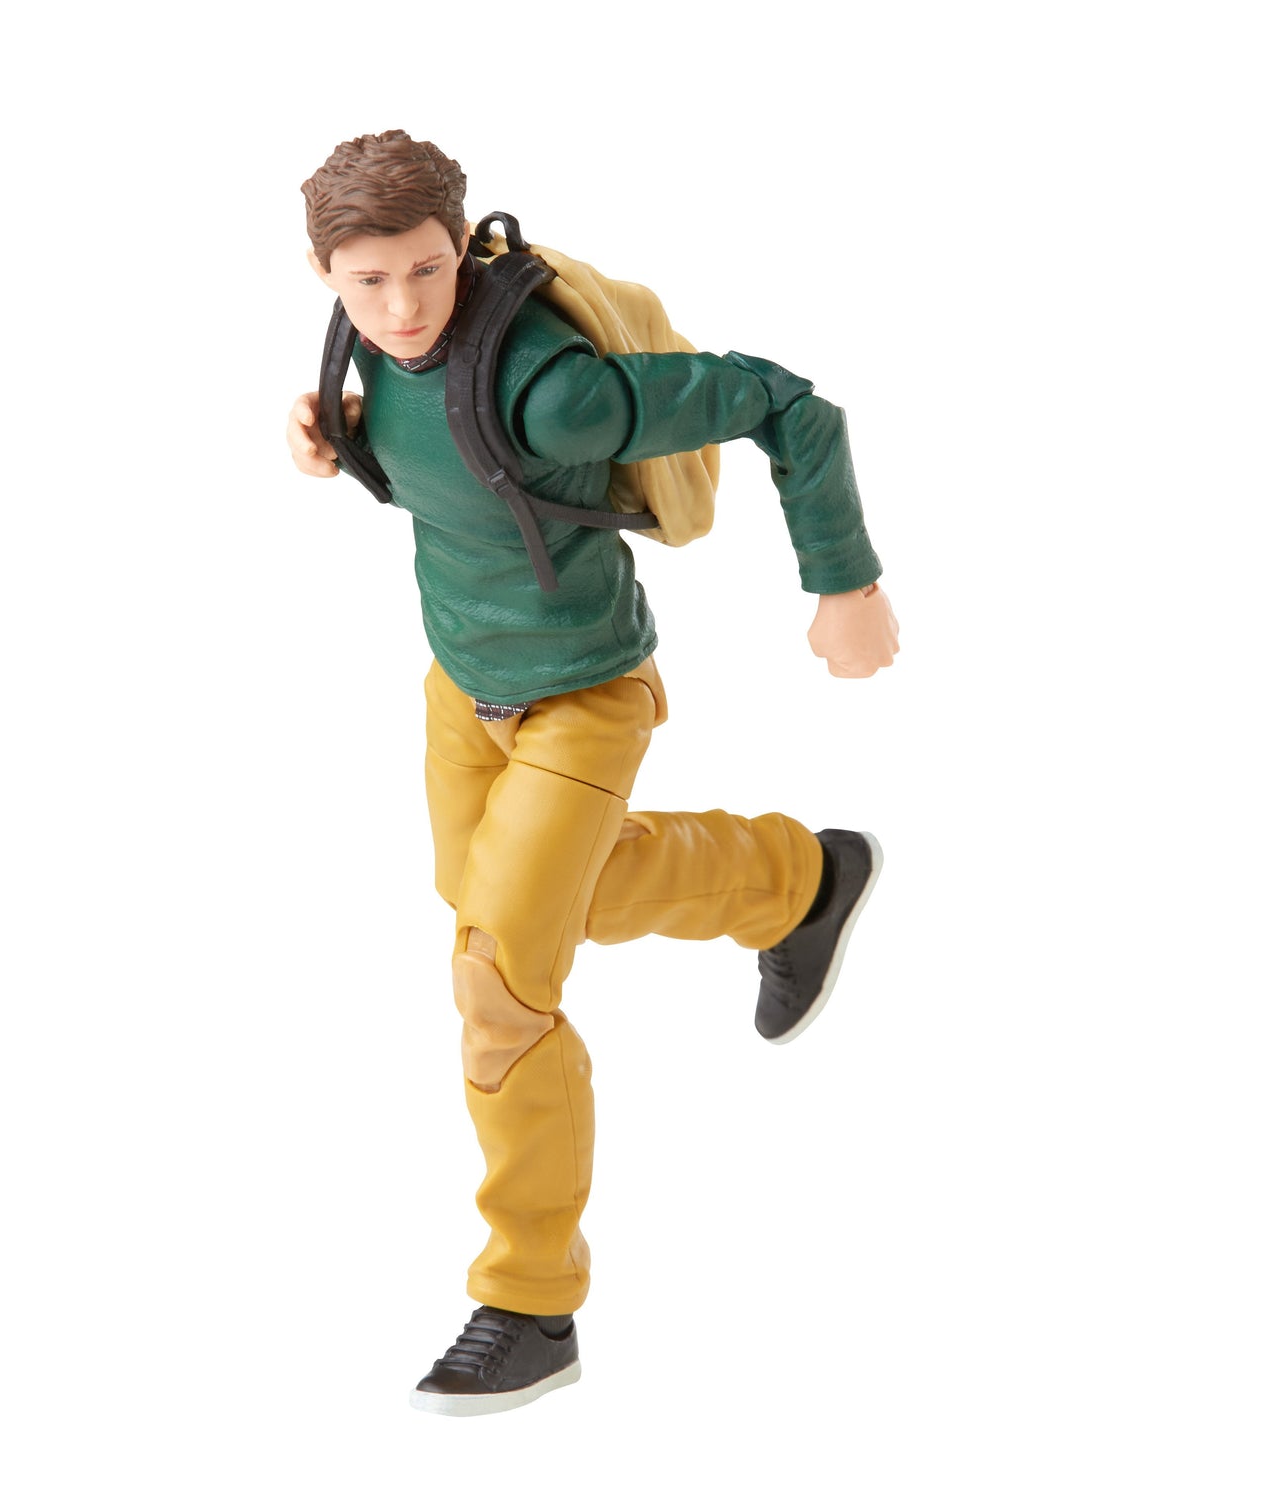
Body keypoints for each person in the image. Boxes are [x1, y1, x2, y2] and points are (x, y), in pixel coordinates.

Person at [286, 130, 899, 1416]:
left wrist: (845, 584)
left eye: (425, 271)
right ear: (325, 276)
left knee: (500, 983)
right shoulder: (365, 354)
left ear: (463, 248)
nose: (401, 308)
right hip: (464, 686)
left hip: (580, 700)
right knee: (508, 906)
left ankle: (530, 1301)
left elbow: (787, 402)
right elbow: (438, 463)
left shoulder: (558, 394)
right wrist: (336, 436)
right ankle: (797, 882)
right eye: (367, 281)